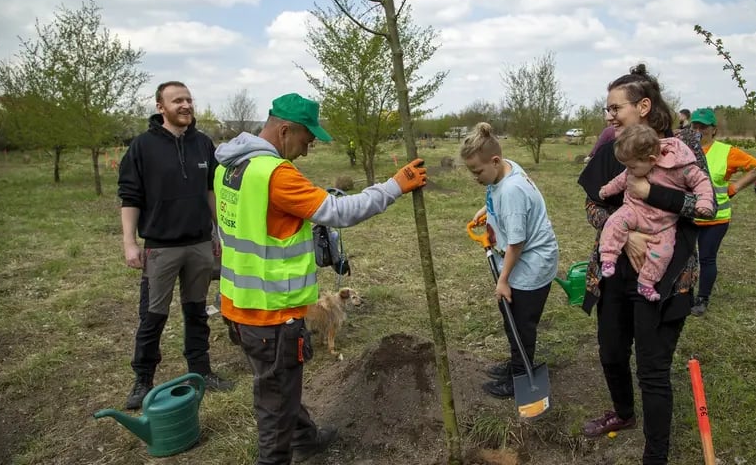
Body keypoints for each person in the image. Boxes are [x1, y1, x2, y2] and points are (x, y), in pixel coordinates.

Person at [214, 92, 427, 465]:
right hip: (272, 314)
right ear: (285, 130)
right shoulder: (275, 175)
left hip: (239, 305)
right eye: (306, 140)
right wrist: (395, 186)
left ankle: (306, 439)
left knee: (278, 384)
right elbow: (339, 211)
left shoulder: (229, 168)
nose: (307, 151)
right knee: (274, 404)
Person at [577, 64, 715, 464]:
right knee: (611, 351)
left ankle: (655, 455)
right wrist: (628, 235)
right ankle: (622, 413)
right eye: (607, 109)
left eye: (614, 107)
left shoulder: (683, 147)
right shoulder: (610, 147)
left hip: (668, 276)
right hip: (615, 271)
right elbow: (592, 205)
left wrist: (652, 192)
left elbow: (704, 210)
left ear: (643, 106)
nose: (608, 116)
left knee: (652, 370)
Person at [118, 81, 234, 411]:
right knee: (152, 316)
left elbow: (212, 191)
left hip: (199, 244)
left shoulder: (202, 144)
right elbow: (130, 197)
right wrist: (130, 243)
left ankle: (201, 372)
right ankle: (143, 380)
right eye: (177, 100)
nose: (185, 105)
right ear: (160, 107)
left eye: (188, 99)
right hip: (161, 247)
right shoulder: (142, 147)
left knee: (197, 312)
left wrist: (219, 233)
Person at [460, 122, 559, 398]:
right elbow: (495, 192)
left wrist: (503, 280)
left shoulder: (511, 191)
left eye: (477, 171)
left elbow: (517, 243)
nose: (475, 177)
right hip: (523, 259)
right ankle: (517, 362)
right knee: (511, 318)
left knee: (520, 323)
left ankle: (519, 378)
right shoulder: (505, 167)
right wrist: (487, 209)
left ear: (494, 161)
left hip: (531, 263)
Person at [598, 124, 714, 301]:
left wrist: (704, 201)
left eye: (632, 167)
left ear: (652, 160)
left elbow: (702, 183)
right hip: (634, 211)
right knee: (614, 221)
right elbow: (621, 180)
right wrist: (607, 189)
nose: (629, 170)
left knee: (663, 252)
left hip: (664, 223)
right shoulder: (636, 163)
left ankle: (647, 282)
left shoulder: (682, 166)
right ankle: (608, 256)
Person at [689, 108, 756, 316]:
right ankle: (683, 295)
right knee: (683, 257)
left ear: (714, 130)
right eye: (695, 125)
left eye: (703, 126)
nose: (698, 129)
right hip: (686, 216)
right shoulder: (684, 148)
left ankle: (702, 298)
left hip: (715, 218)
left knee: (707, 258)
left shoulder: (726, 152)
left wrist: (735, 187)